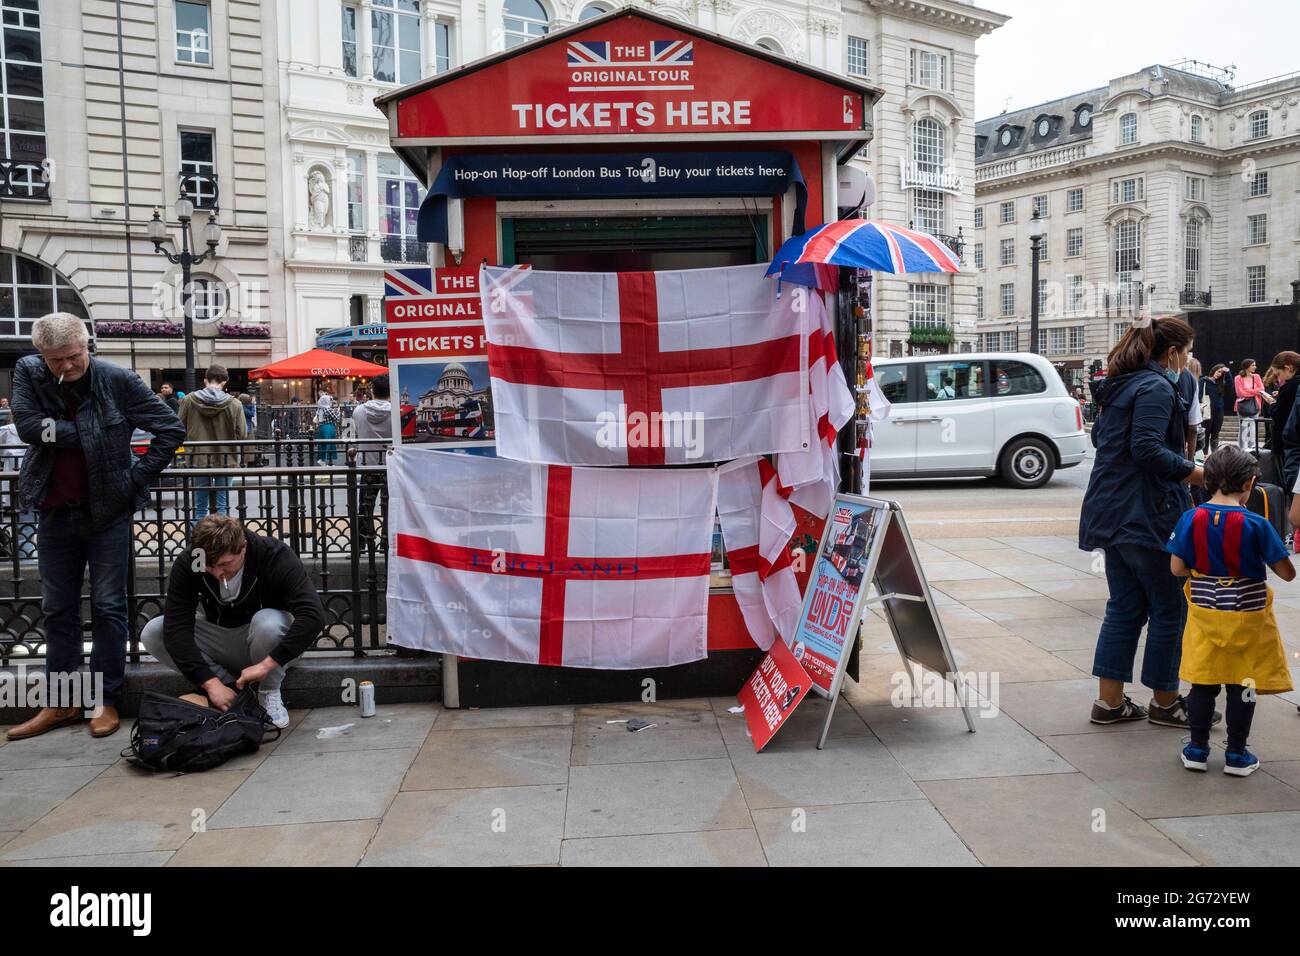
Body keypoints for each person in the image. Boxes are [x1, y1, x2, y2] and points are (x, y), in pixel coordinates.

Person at [6, 313, 184, 741]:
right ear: (40, 355)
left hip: (107, 510)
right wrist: (95, 432)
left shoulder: (116, 379)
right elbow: (30, 428)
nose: (65, 367)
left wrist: (134, 482)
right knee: (57, 609)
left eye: (72, 357)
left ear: (88, 345)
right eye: (55, 360)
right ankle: (64, 701)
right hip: (53, 509)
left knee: (108, 607)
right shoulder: (29, 372)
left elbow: (170, 428)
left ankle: (102, 699)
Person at [1079, 315, 1211, 729]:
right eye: (1185, 353)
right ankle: (1166, 701)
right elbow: (1147, 449)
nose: (1186, 360)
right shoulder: (1155, 386)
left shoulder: (1121, 385)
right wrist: (1200, 474)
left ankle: (1110, 703)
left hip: (1112, 509)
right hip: (1147, 512)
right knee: (1170, 606)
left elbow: (1105, 440)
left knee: (1124, 606)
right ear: (1171, 353)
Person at [1169, 446, 1294, 776]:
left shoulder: (1191, 518)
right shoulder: (1256, 523)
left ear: (1206, 481)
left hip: (1205, 613)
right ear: (1250, 483)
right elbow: (1286, 573)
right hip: (1250, 618)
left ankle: (1197, 749)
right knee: (1245, 684)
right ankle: (1237, 754)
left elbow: (1177, 568)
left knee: (1203, 681)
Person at [140, 515, 326, 729]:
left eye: (225, 564)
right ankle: (232, 691)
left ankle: (268, 692)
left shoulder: (272, 554)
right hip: (224, 640)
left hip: (269, 644)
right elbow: (176, 627)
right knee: (154, 631)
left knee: (267, 622)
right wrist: (211, 684)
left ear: (243, 547)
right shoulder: (193, 561)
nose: (218, 572)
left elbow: (313, 615)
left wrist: (267, 665)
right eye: (210, 566)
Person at [179, 364, 246, 525]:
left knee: (200, 505)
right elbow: (242, 434)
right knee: (222, 505)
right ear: (224, 382)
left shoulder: (189, 400)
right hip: (226, 457)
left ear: (205, 380)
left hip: (198, 456)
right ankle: (220, 544)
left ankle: (198, 543)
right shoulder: (235, 404)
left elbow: (179, 426)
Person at [352, 373, 392, 544]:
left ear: (372, 390)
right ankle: (387, 542)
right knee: (388, 507)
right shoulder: (397, 412)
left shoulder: (359, 411)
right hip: (390, 466)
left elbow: (356, 435)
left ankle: (363, 542)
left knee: (365, 507)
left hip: (367, 465)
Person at [1265, 352, 1300, 470]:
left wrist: (1272, 404)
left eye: (1278, 374)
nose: (1279, 378)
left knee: (1286, 480)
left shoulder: (1290, 387)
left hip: (1289, 446)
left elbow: (1279, 415)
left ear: (1288, 368)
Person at [1234, 359, 1271, 452]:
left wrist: (1248, 391)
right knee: (1243, 428)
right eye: (1253, 365)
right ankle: (1242, 450)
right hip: (1242, 406)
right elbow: (1240, 393)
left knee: (1253, 428)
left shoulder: (1256, 376)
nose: (1255, 367)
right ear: (1247, 366)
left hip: (1255, 405)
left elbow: (1262, 389)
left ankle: (1252, 449)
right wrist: (1255, 391)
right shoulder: (1238, 378)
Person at [1201, 364, 1228, 453]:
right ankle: (1204, 454)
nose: (1219, 374)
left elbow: (1231, 386)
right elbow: (1199, 394)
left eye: (1221, 373)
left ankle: (1215, 454)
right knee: (1206, 432)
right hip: (1207, 410)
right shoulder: (1204, 381)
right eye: (1218, 371)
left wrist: (1228, 372)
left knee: (1215, 433)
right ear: (1214, 370)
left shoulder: (1220, 383)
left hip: (1219, 411)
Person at [314, 392, 340, 465]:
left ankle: (322, 460)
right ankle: (329, 462)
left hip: (322, 427)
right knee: (330, 444)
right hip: (329, 427)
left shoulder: (319, 409)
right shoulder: (327, 408)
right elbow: (336, 418)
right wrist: (338, 411)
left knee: (322, 445)